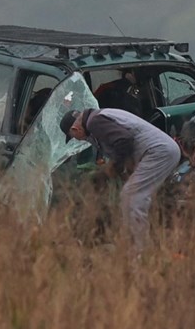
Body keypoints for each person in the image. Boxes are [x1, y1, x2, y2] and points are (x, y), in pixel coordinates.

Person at [60, 107, 181, 250]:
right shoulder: (99, 117)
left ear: (75, 129)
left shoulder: (95, 122)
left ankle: (139, 251)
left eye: (75, 137)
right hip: (159, 151)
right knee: (138, 197)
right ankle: (152, 242)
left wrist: (115, 167)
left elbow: (124, 140)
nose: (80, 140)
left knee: (132, 196)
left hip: (158, 152)